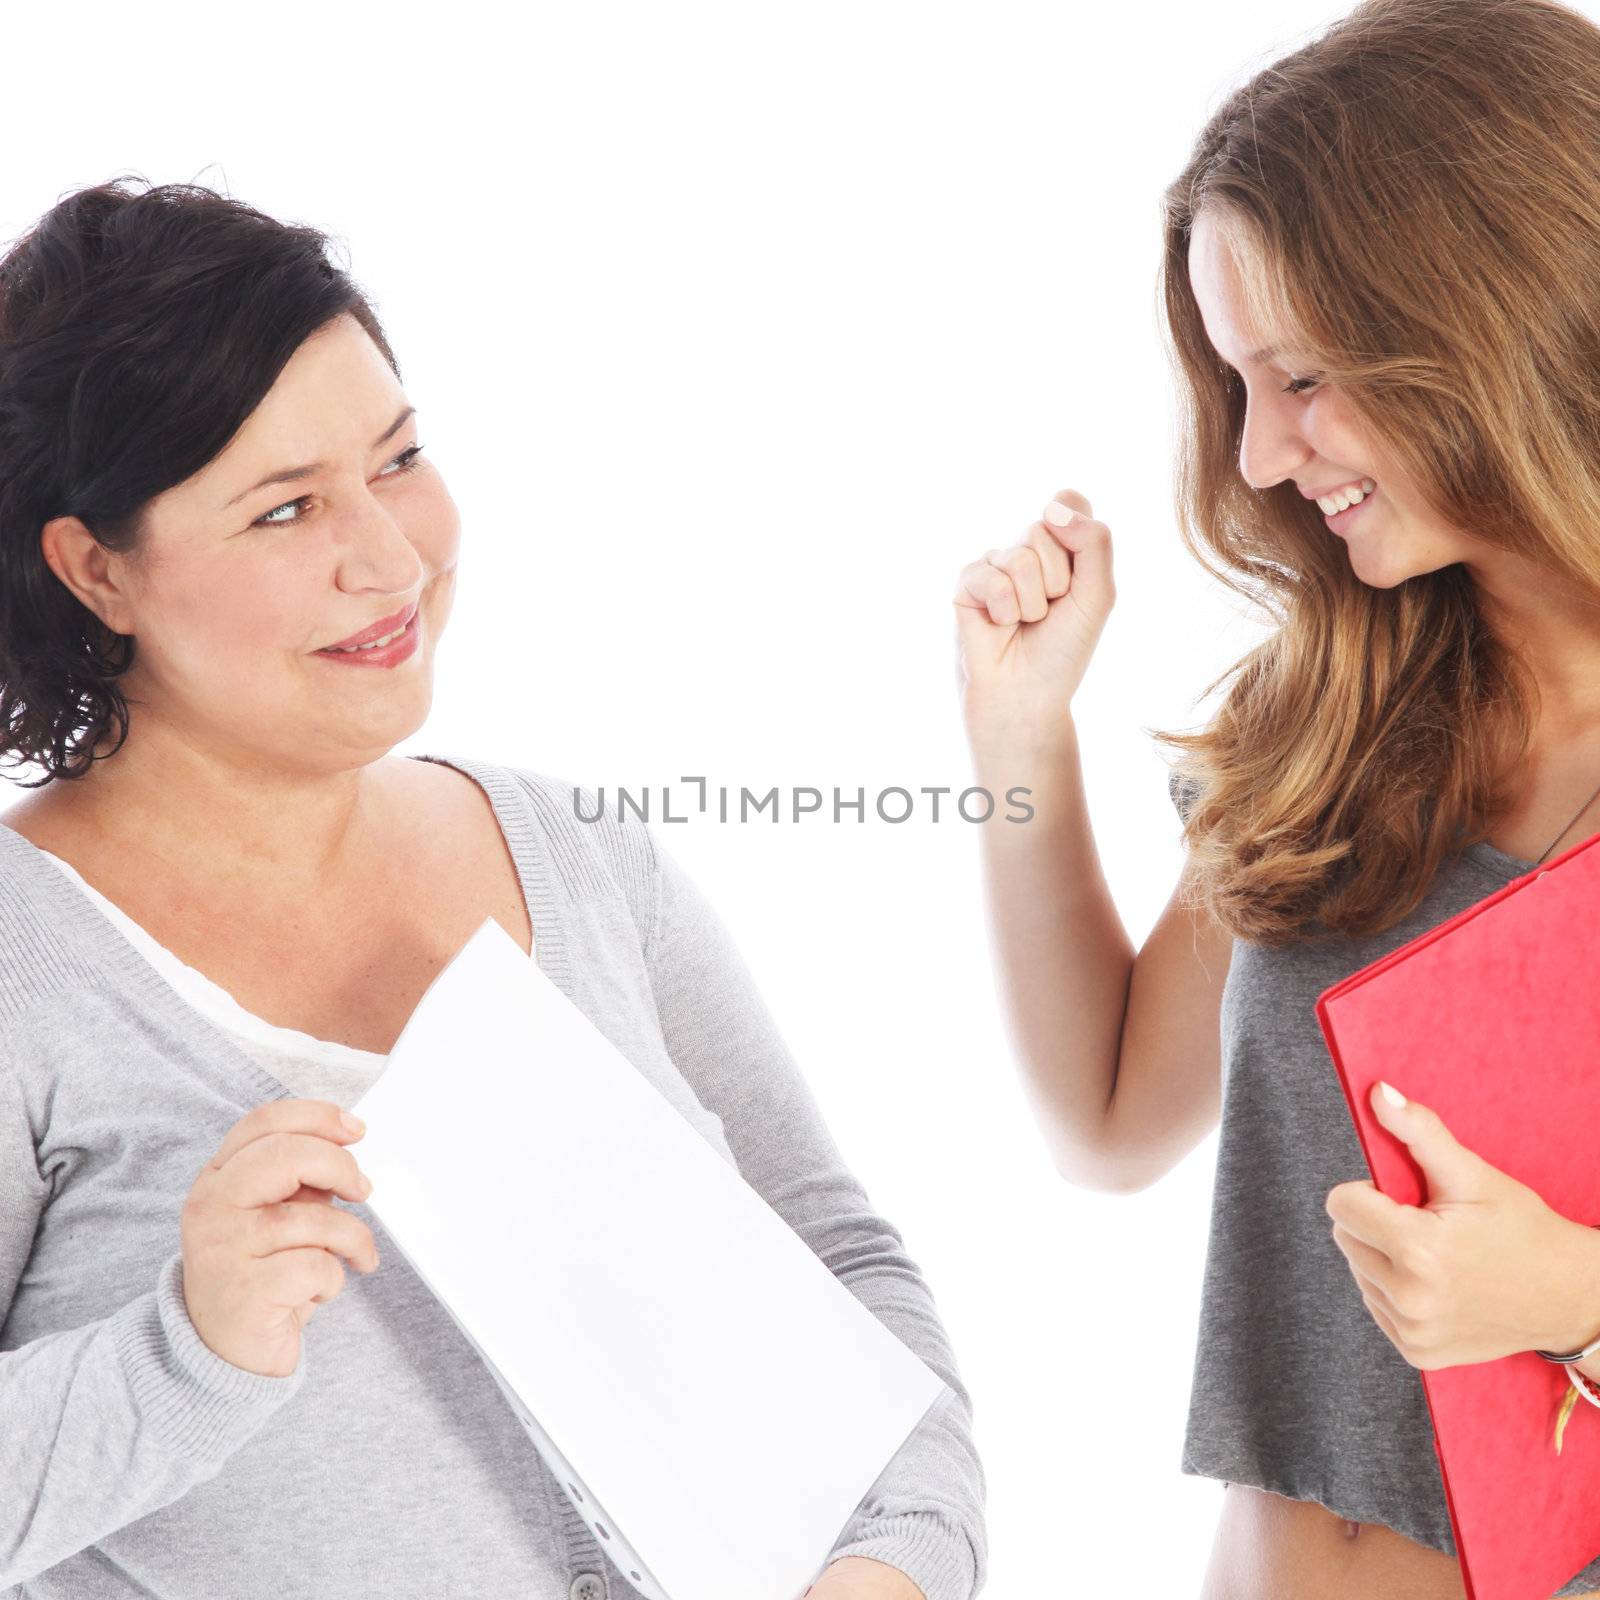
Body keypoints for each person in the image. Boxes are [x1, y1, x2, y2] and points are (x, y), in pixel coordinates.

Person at [0, 174, 986, 1600]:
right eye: (284, 511)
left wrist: (897, 1564)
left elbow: (844, 1270)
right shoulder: (27, 963)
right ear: (98, 572)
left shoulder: (579, 855)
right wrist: (189, 1349)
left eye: (396, 459)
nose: (391, 557)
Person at [952, 0, 1600, 1594]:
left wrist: (1573, 1302)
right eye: (1237, 381)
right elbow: (1107, 1121)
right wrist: (1021, 748)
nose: (1254, 456)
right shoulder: (1340, 717)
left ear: (1488, 319)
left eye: (1300, 375)